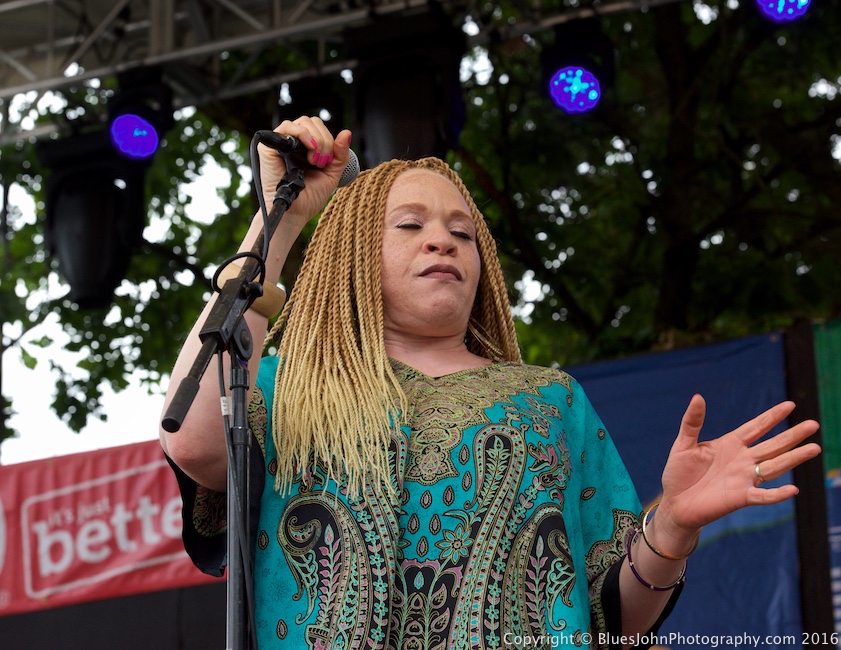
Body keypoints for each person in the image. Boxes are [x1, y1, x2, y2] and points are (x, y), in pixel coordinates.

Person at [160, 116, 821, 649]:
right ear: (353, 255)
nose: (442, 243)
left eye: (462, 234)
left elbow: (617, 618)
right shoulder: (291, 388)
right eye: (410, 226)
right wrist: (282, 220)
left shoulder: (548, 399)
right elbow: (192, 443)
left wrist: (671, 527)